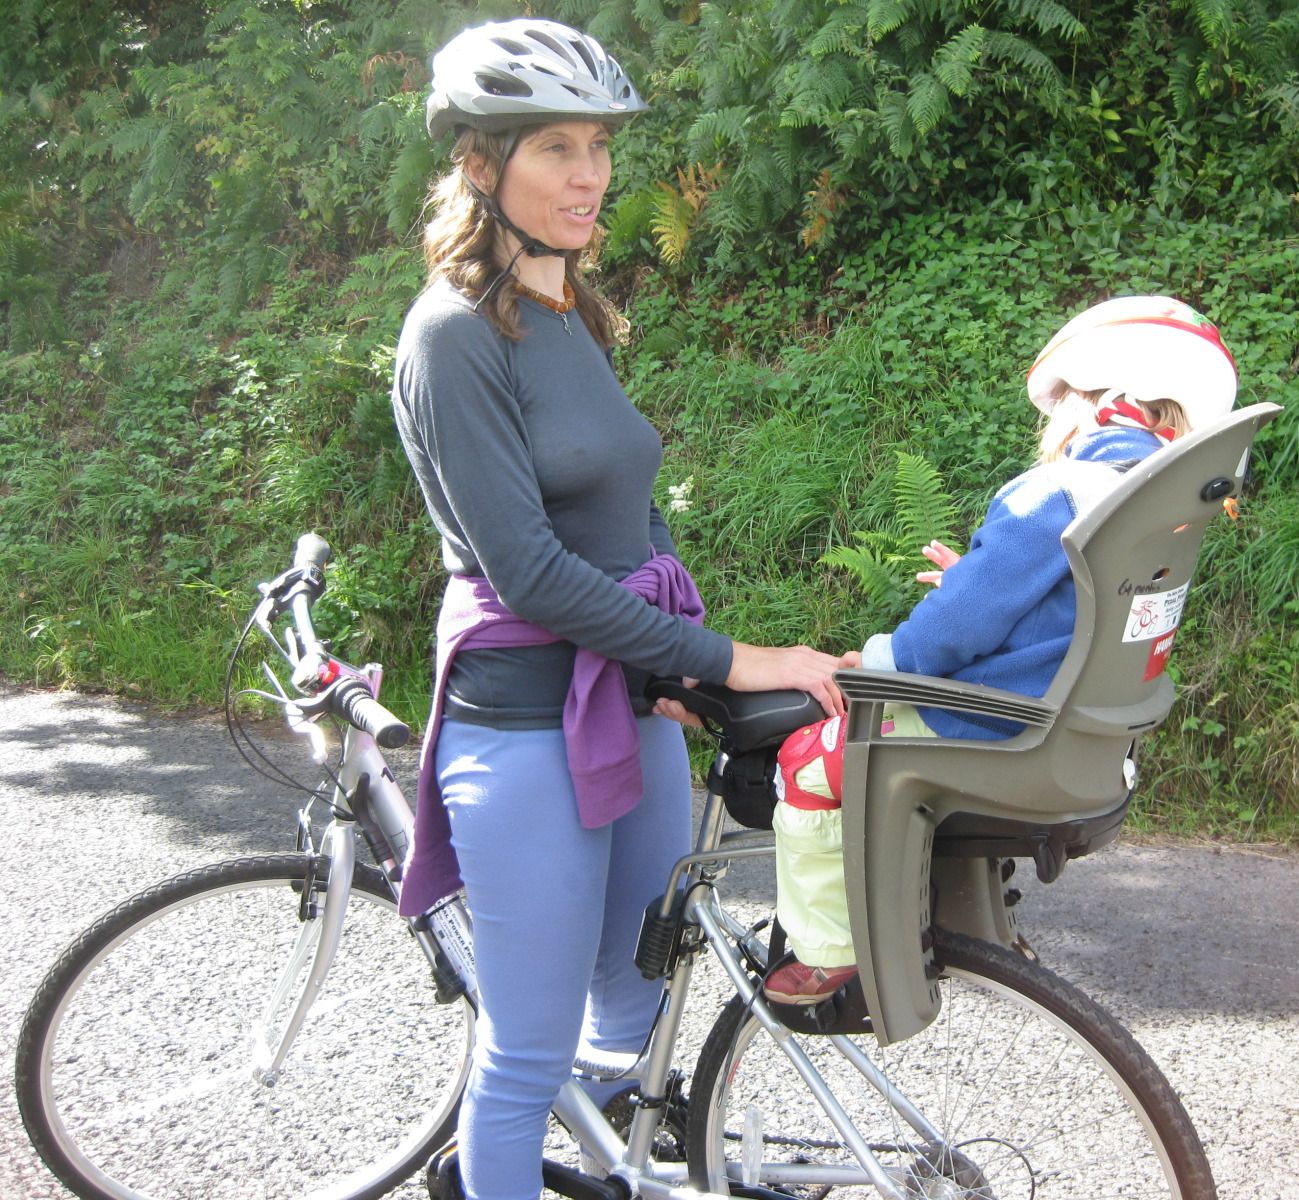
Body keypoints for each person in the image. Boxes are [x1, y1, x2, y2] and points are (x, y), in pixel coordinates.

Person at [389, 20, 845, 1200]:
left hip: (624, 708)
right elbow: (532, 574)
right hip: (524, 727)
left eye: (597, 146)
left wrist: (673, 669)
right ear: (480, 163)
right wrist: (729, 656)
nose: (588, 174)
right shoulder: (451, 336)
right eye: (555, 147)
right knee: (526, 1050)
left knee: (635, 994)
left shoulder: (567, 312)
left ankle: (606, 1174)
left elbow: (634, 514)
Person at [761, 296, 1240, 1006]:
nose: (1052, 422)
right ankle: (977, 925)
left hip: (998, 726)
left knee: (808, 761)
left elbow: (958, 627)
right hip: (1087, 741)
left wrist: (885, 659)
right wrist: (978, 582)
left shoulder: (1058, 490)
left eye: (1061, 400)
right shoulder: (1160, 504)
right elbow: (1075, 614)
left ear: (1100, 398)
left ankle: (832, 957)